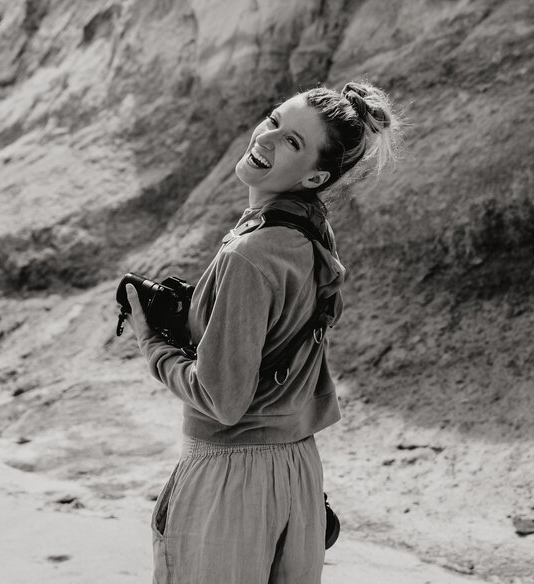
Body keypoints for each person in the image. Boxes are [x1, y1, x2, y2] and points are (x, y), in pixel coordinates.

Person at [124, 80, 403, 584]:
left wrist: (153, 345)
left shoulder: (247, 255)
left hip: (229, 480)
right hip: (297, 473)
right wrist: (202, 311)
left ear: (317, 175)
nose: (268, 138)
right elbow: (281, 333)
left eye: (292, 141)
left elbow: (222, 399)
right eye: (275, 121)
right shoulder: (310, 233)